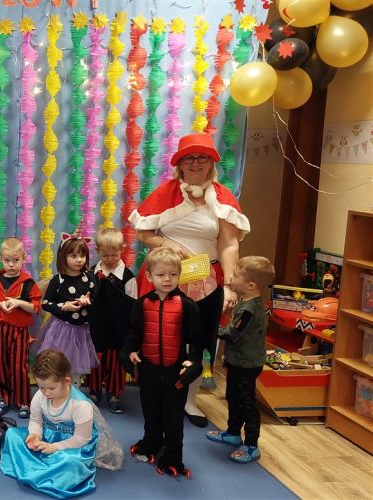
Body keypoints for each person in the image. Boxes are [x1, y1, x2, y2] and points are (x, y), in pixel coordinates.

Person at [130, 132, 250, 428]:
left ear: (211, 162)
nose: (195, 163)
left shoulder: (222, 199)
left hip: (207, 281)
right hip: (165, 278)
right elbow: (144, 233)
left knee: (199, 341)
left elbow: (229, 244)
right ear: (179, 164)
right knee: (160, 337)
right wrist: (168, 244)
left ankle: (190, 400)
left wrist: (229, 285)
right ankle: (160, 396)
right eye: (188, 158)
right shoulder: (164, 193)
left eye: (202, 157)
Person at [121, 247, 203, 478]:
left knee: (173, 415)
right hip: (148, 368)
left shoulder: (188, 305)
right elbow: (134, 334)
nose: (167, 279)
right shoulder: (141, 304)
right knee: (150, 409)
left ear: (179, 275)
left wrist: (193, 360)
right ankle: (151, 441)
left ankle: (173, 455)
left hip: (175, 370)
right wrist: (129, 351)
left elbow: (197, 340)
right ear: (149, 276)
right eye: (161, 274)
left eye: (173, 274)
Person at [0, 349, 122, 499]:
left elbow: (81, 439)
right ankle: (45, 471)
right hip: (47, 438)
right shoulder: (40, 396)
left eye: (51, 388)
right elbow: (36, 421)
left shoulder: (80, 405)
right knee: (12, 435)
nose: (46, 393)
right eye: (41, 387)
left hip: (72, 446)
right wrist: (35, 435)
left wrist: (54, 447)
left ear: (66, 381)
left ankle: (36, 468)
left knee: (71, 463)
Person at [207, 256, 275, 464]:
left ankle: (252, 445)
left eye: (235, 276)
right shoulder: (245, 301)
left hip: (247, 364)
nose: (231, 278)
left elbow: (231, 334)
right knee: (233, 396)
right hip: (237, 361)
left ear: (251, 285)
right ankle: (233, 432)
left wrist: (209, 326)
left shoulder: (249, 310)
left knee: (246, 403)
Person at [0, 237, 42, 418]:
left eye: (16, 260)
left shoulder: (28, 283)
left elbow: (36, 307)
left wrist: (19, 303)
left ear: (24, 258)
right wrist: (0, 305)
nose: (11, 265)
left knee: (19, 367)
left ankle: (23, 400)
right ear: (1, 259)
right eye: (7, 260)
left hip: (19, 332)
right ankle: (2, 398)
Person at [37, 232, 98, 384]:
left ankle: (73, 393)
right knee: (58, 366)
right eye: (73, 256)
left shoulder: (89, 278)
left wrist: (89, 300)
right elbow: (46, 303)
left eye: (82, 255)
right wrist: (64, 307)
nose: (79, 260)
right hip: (61, 331)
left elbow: (98, 300)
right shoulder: (58, 280)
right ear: (63, 257)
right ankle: (55, 392)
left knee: (76, 370)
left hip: (82, 332)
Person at [88, 227, 138, 414]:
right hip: (97, 326)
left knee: (116, 363)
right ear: (97, 251)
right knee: (96, 360)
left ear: (122, 250)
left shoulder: (128, 277)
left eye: (114, 255)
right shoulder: (91, 273)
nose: (110, 259)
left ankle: (114, 394)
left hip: (118, 327)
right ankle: (94, 391)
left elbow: (132, 304)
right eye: (105, 255)